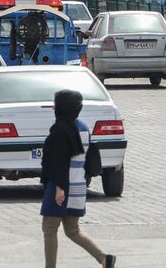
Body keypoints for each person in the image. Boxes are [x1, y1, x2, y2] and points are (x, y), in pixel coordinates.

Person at [40, 90, 116, 268]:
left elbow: (59, 161)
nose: (53, 107)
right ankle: (104, 259)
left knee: (49, 229)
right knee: (73, 230)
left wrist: (59, 187)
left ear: (61, 107)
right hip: (78, 187)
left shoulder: (59, 130)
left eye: (55, 103)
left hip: (62, 187)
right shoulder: (83, 128)